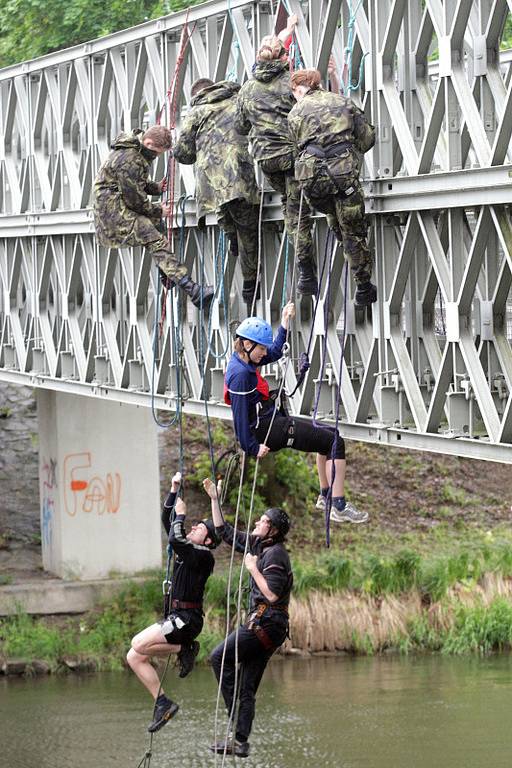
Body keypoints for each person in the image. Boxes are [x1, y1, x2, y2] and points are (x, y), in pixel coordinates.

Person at [224, 306, 368, 523]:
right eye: (261, 348)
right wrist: (251, 447)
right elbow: (240, 417)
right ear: (246, 344)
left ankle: (325, 495)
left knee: (328, 436)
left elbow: (275, 352)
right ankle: (338, 505)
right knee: (334, 442)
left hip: (272, 423)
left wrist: (284, 323)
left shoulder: (246, 360)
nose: (264, 353)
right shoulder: (240, 374)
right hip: (270, 430)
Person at [205, 477, 293, 759]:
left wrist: (253, 569)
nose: (256, 522)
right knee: (246, 688)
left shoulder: (276, 555)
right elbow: (225, 532)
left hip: (267, 622)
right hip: (267, 626)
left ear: (273, 530)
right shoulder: (259, 545)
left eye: (262, 521)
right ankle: (240, 741)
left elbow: (273, 596)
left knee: (218, 658)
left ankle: (233, 723)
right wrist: (215, 500)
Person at [126, 471, 220, 733]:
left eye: (198, 528)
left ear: (208, 540)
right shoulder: (185, 548)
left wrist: (181, 514)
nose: (192, 528)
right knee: (134, 656)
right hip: (175, 619)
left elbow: (176, 534)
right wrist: (173, 490)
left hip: (187, 621)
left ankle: (184, 649)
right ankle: (162, 703)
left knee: (138, 644)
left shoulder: (202, 556)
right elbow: (167, 522)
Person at [234, 19, 317, 296]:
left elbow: (241, 127)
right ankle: (306, 270)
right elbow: (309, 111)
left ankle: (301, 257)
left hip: (266, 160)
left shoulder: (246, 89)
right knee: (296, 212)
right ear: (284, 57)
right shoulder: (290, 83)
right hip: (291, 156)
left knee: (288, 201)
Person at [93, 125, 214, 311]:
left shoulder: (132, 151)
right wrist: (158, 210)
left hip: (113, 209)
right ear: (148, 143)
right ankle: (193, 290)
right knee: (155, 240)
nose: (155, 157)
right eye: (156, 153)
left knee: (156, 227)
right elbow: (134, 199)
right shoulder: (131, 158)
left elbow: (131, 182)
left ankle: (167, 274)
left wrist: (155, 188)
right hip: (114, 215)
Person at [288, 68, 377, 307]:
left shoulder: (295, 113)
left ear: (299, 88)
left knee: (333, 215)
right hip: (344, 179)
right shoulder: (342, 102)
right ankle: (363, 287)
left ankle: (332, 234)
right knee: (354, 231)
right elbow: (367, 139)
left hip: (314, 184)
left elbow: (295, 150)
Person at [173, 78, 262, 313]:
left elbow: (183, 154)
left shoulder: (196, 112)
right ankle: (250, 285)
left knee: (228, 214)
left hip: (212, 184)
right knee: (249, 231)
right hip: (240, 176)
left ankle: (248, 282)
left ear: (196, 95)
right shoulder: (237, 101)